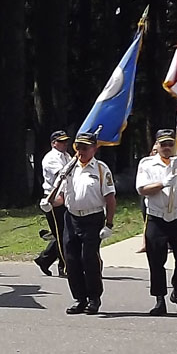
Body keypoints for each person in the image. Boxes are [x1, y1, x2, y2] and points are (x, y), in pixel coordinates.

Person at [136, 129, 177, 316]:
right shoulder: (147, 163)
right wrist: (163, 183)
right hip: (157, 216)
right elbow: (142, 189)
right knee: (156, 260)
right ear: (156, 145)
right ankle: (159, 299)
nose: (167, 147)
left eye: (170, 144)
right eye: (163, 144)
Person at [54, 132, 115, 315]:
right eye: (78, 147)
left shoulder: (101, 169)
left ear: (94, 149)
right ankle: (79, 298)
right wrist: (50, 202)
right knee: (71, 260)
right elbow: (61, 196)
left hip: (92, 218)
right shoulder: (69, 169)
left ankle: (94, 298)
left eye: (85, 147)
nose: (81, 151)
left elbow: (110, 198)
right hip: (72, 217)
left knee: (89, 259)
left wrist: (109, 224)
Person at [33, 130, 71, 277]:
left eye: (66, 141)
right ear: (53, 143)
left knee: (66, 234)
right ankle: (64, 267)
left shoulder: (66, 156)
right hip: (53, 200)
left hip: (66, 198)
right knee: (62, 234)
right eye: (61, 141)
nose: (64, 144)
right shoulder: (51, 158)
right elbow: (63, 174)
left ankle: (45, 259)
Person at [136, 142, 159, 254]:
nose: (156, 153)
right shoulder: (146, 164)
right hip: (147, 195)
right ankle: (145, 243)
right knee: (146, 218)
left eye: (157, 150)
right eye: (154, 151)